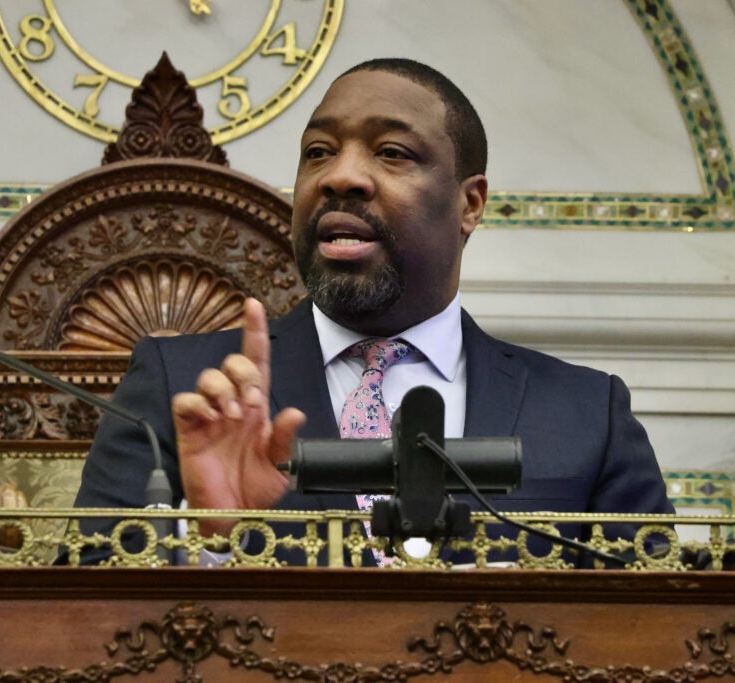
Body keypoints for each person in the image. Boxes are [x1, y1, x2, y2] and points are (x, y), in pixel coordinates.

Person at [70, 58, 675, 566]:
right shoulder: (183, 390)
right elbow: (73, 625)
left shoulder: (587, 414)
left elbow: (662, 629)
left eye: (390, 152)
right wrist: (213, 551)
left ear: (469, 204)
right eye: (318, 152)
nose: (341, 176)